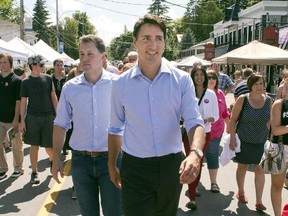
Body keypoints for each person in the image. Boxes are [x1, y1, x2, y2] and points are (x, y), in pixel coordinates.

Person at [108, 14, 206, 216]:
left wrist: (195, 153)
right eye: (146, 38)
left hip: (171, 166)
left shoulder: (182, 80)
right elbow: (115, 128)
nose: (153, 45)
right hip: (134, 167)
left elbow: (194, 122)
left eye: (158, 38)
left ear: (165, 42)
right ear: (135, 42)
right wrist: (111, 164)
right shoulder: (120, 84)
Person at [52, 34, 123, 216]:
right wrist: (56, 158)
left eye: (90, 54)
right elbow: (60, 124)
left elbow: (132, 122)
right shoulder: (70, 88)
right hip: (81, 162)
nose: (84, 58)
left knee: (114, 212)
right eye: (81, 54)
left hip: (113, 160)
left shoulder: (118, 85)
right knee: (87, 213)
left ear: (103, 56)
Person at [229, 73, 271, 211]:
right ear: (250, 86)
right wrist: (232, 139)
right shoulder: (243, 99)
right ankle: (241, 193)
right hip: (244, 140)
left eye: (261, 83)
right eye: (255, 84)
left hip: (261, 141)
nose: (259, 87)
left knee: (260, 170)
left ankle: (259, 201)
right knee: (243, 167)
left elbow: (270, 122)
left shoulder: (269, 100)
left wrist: (272, 140)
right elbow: (232, 119)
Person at [183, 66, 219, 210]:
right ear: (192, 77)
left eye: (201, 75)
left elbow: (216, 115)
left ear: (205, 77)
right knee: (189, 159)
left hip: (205, 132)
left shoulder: (211, 94)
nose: (199, 77)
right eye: (196, 74)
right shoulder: (187, 92)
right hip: (189, 131)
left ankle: (194, 187)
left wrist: (210, 118)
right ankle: (192, 196)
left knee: (197, 160)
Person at [20, 54, 58, 184]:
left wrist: (58, 114)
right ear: (33, 66)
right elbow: (23, 102)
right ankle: (34, 172)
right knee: (34, 146)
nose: (43, 67)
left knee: (49, 147)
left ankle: (53, 161)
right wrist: (22, 121)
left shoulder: (48, 79)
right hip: (32, 118)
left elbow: (53, 97)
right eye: (41, 65)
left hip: (48, 117)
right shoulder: (25, 82)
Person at [0, 53, 24, 179]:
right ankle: (3, 168)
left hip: (13, 120)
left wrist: (16, 120)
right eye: (0, 62)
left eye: (4, 62)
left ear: (10, 63)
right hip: (0, 119)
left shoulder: (16, 80)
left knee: (16, 145)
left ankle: (18, 169)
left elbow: (18, 102)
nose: (2, 65)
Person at [206, 69, 230, 193]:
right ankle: (193, 183)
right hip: (201, 132)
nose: (211, 80)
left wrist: (231, 129)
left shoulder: (220, 93)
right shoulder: (198, 92)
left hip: (217, 131)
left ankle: (213, 182)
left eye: (213, 77)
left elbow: (225, 113)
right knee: (198, 156)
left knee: (213, 154)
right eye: (209, 77)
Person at [270, 78, 288, 216]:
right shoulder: (279, 104)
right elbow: (275, 130)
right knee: (277, 185)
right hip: (281, 148)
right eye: (286, 88)